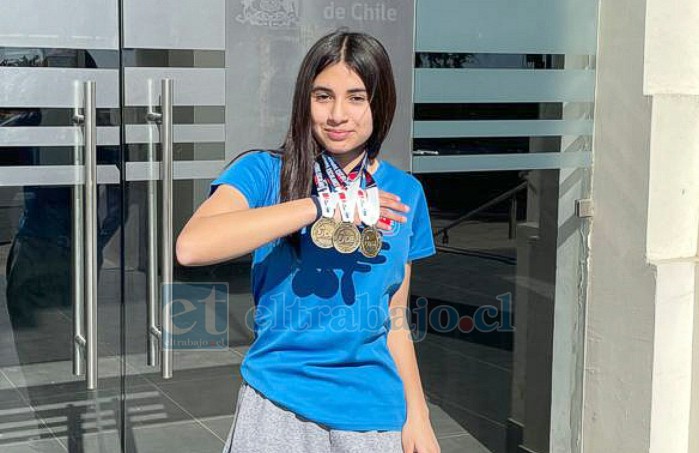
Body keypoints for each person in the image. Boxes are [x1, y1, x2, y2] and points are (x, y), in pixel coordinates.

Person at [176, 29, 441, 453]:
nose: (338, 114)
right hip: (279, 404)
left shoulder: (404, 192)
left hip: (372, 415)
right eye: (323, 96)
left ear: (381, 102)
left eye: (357, 97)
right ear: (306, 101)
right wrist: (321, 206)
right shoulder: (265, 172)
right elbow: (192, 246)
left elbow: (394, 316)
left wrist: (419, 415)